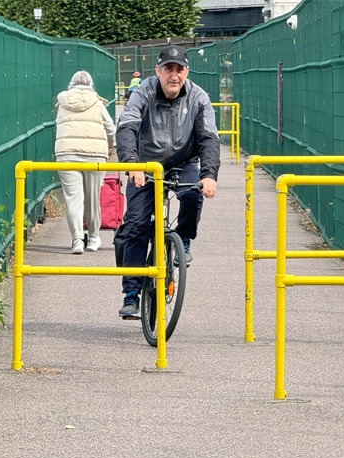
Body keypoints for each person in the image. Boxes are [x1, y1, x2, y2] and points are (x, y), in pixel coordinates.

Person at [115, 45, 220, 319]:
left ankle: (183, 240)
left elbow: (209, 138)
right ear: (158, 71)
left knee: (193, 194)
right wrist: (131, 164)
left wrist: (209, 175)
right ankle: (131, 295)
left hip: (183, 162)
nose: (174, 76)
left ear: (186, 71)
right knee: (137, 224)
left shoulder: (198, 97)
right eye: (168, 69)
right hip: (146, 165)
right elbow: (126, 126)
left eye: (179, 69)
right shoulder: (144, 92)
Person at [55, 70, 116, 254]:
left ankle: (77, 240)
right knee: (92, 198)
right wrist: (111, 145)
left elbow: (59, 124)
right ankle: (94, 238)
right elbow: (111, 128)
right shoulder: (97, 103)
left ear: (71, 84)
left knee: (73, 199)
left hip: (67, 154)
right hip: (95, 154)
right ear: (91, 84)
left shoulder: (63, 103)